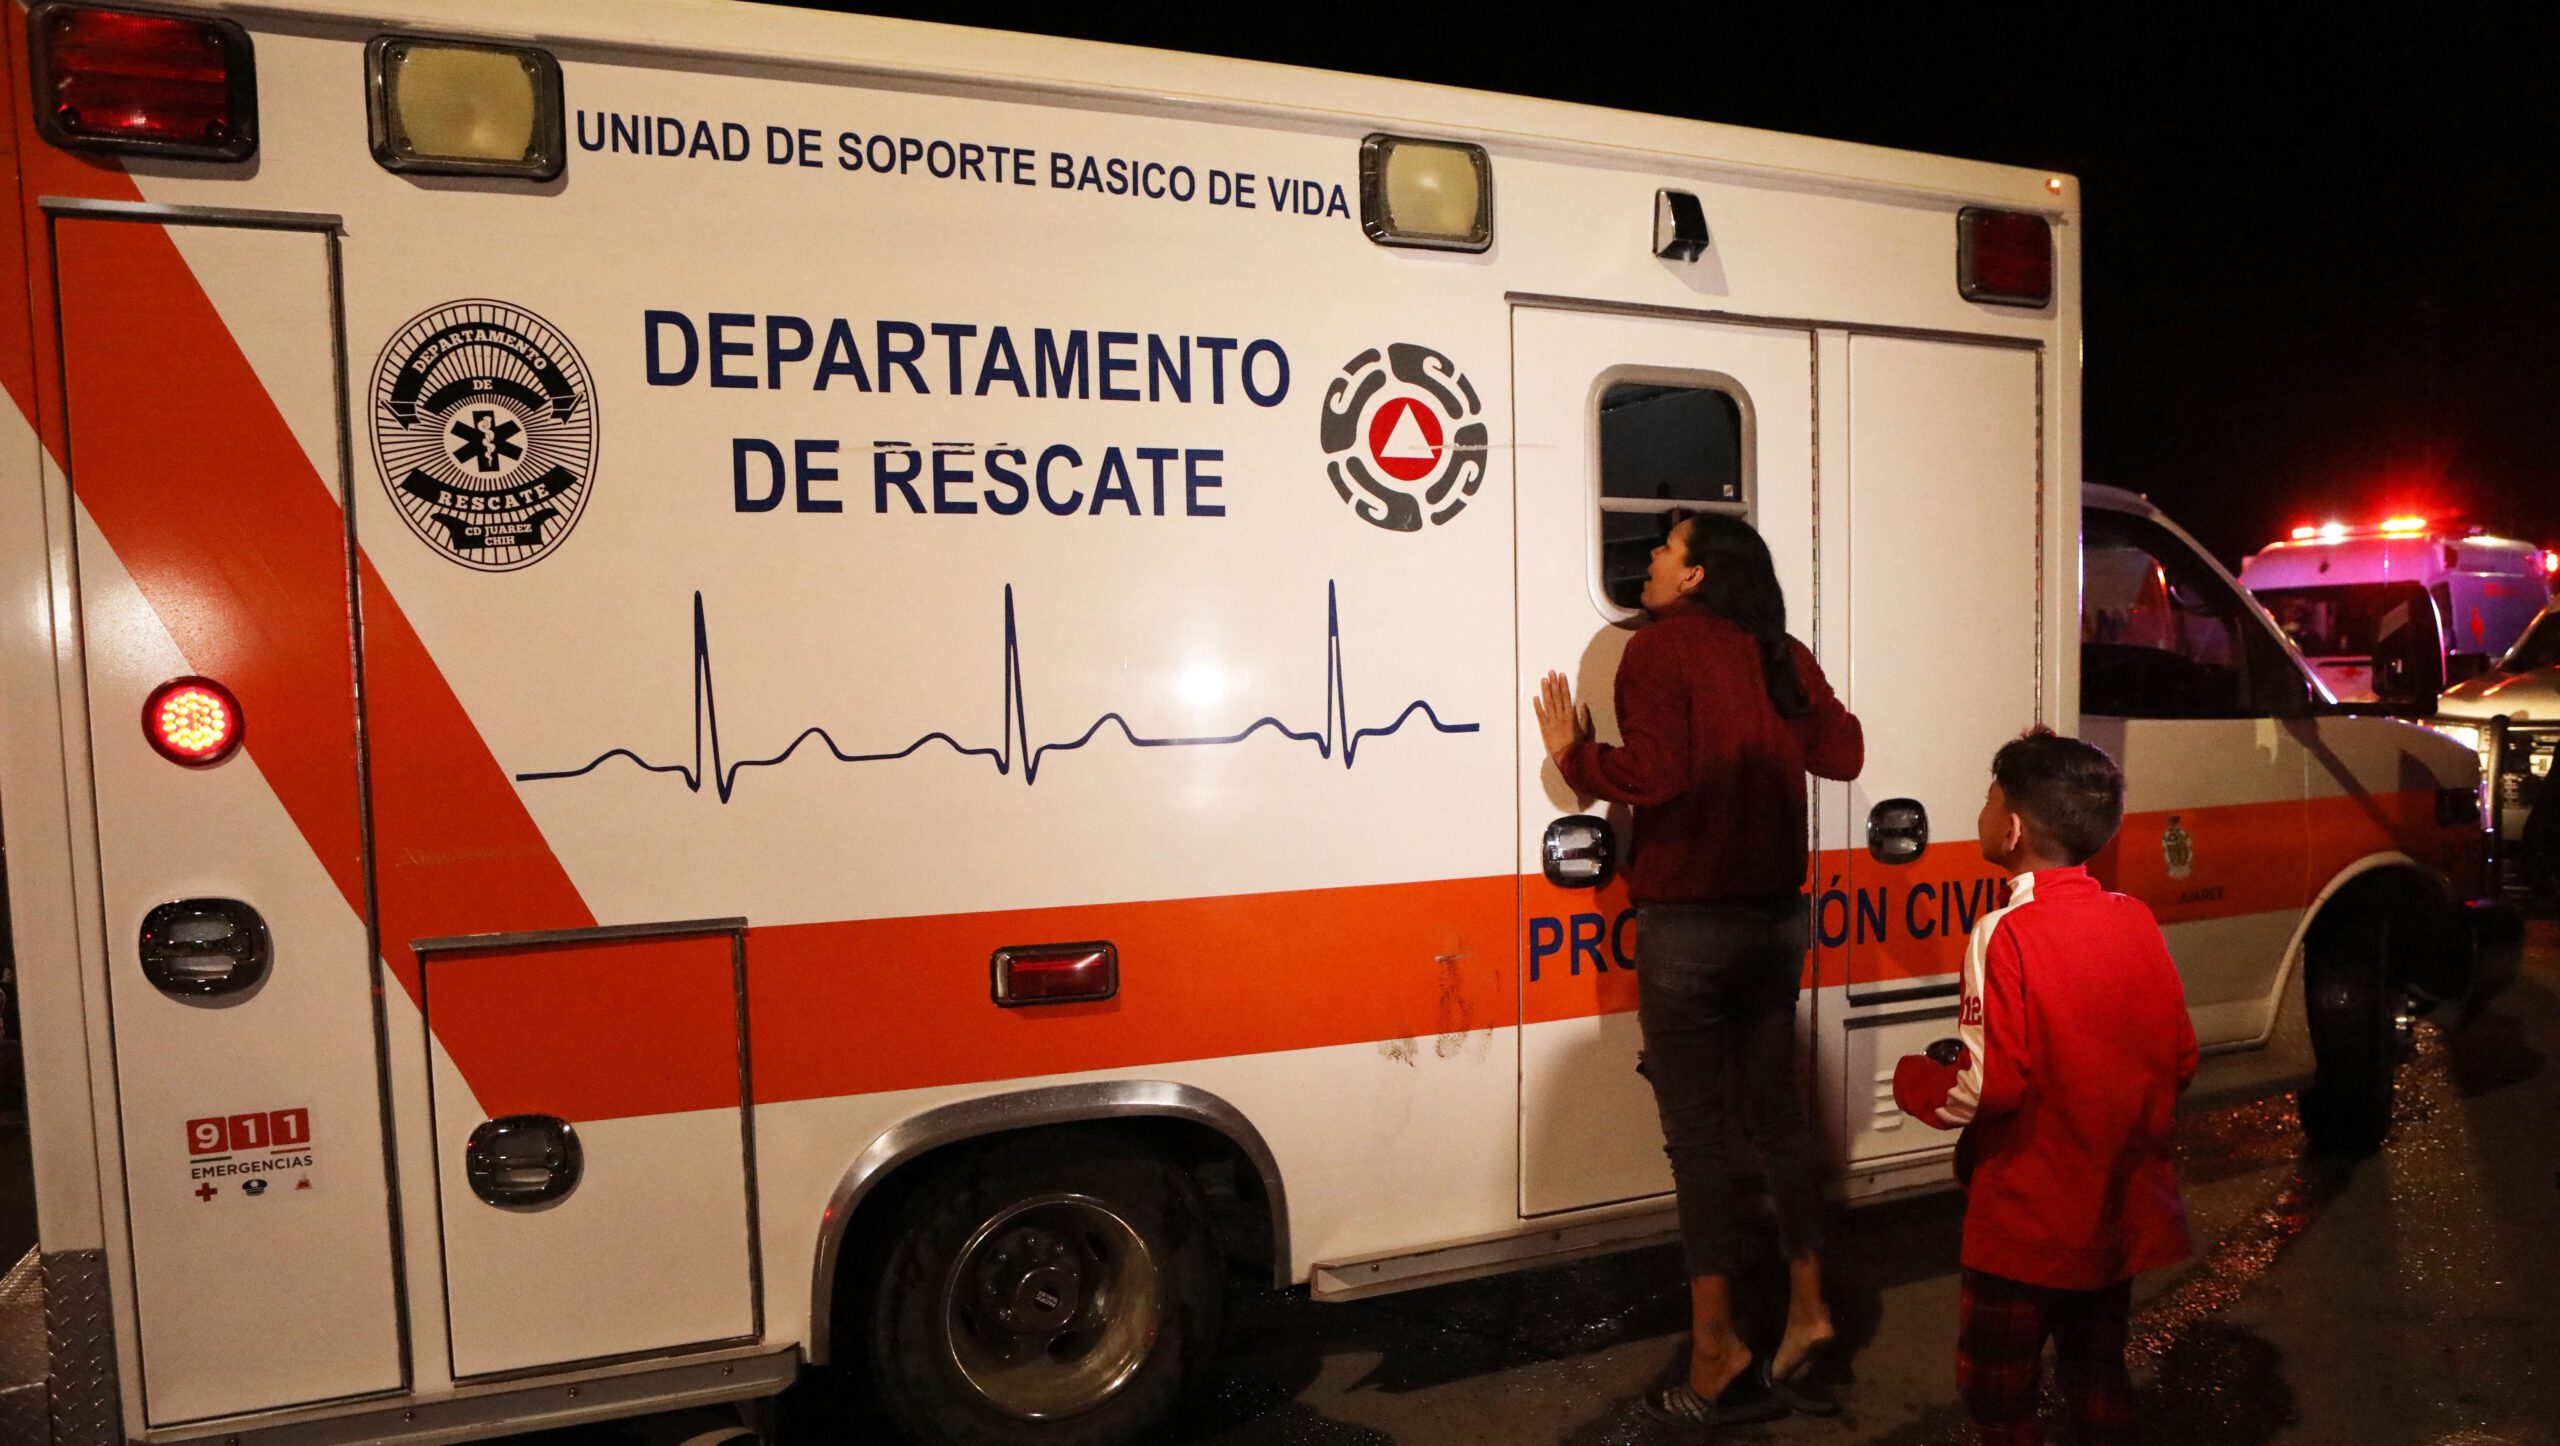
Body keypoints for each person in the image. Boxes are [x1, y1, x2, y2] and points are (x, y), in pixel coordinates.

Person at [1532, 511, 1863, 1428]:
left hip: (1688, 931)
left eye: (1665, 549)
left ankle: (1717, 1348)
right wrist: (1780, 715)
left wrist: (1573, 755)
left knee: (1699, 1143)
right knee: (1779, 1123)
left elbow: (1655, 775)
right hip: (1777, 924)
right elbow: (1845, 752)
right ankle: (1807, 1307)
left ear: (1695, 577)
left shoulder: (1660, 650)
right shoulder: (1779, 653)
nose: (1648, 559)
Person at [1892, 729, 2198, 1446]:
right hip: (2115, 1205)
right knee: (2098, 1380)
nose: (1983, 811)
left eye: (1988, 796)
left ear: (2013, 826)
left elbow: (1986, 1085)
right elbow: (2179, 1056)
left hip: (2024, 1220)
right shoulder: (2135, 918)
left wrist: (1915, 1080)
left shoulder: (2005, 931)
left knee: (2000, 1397)